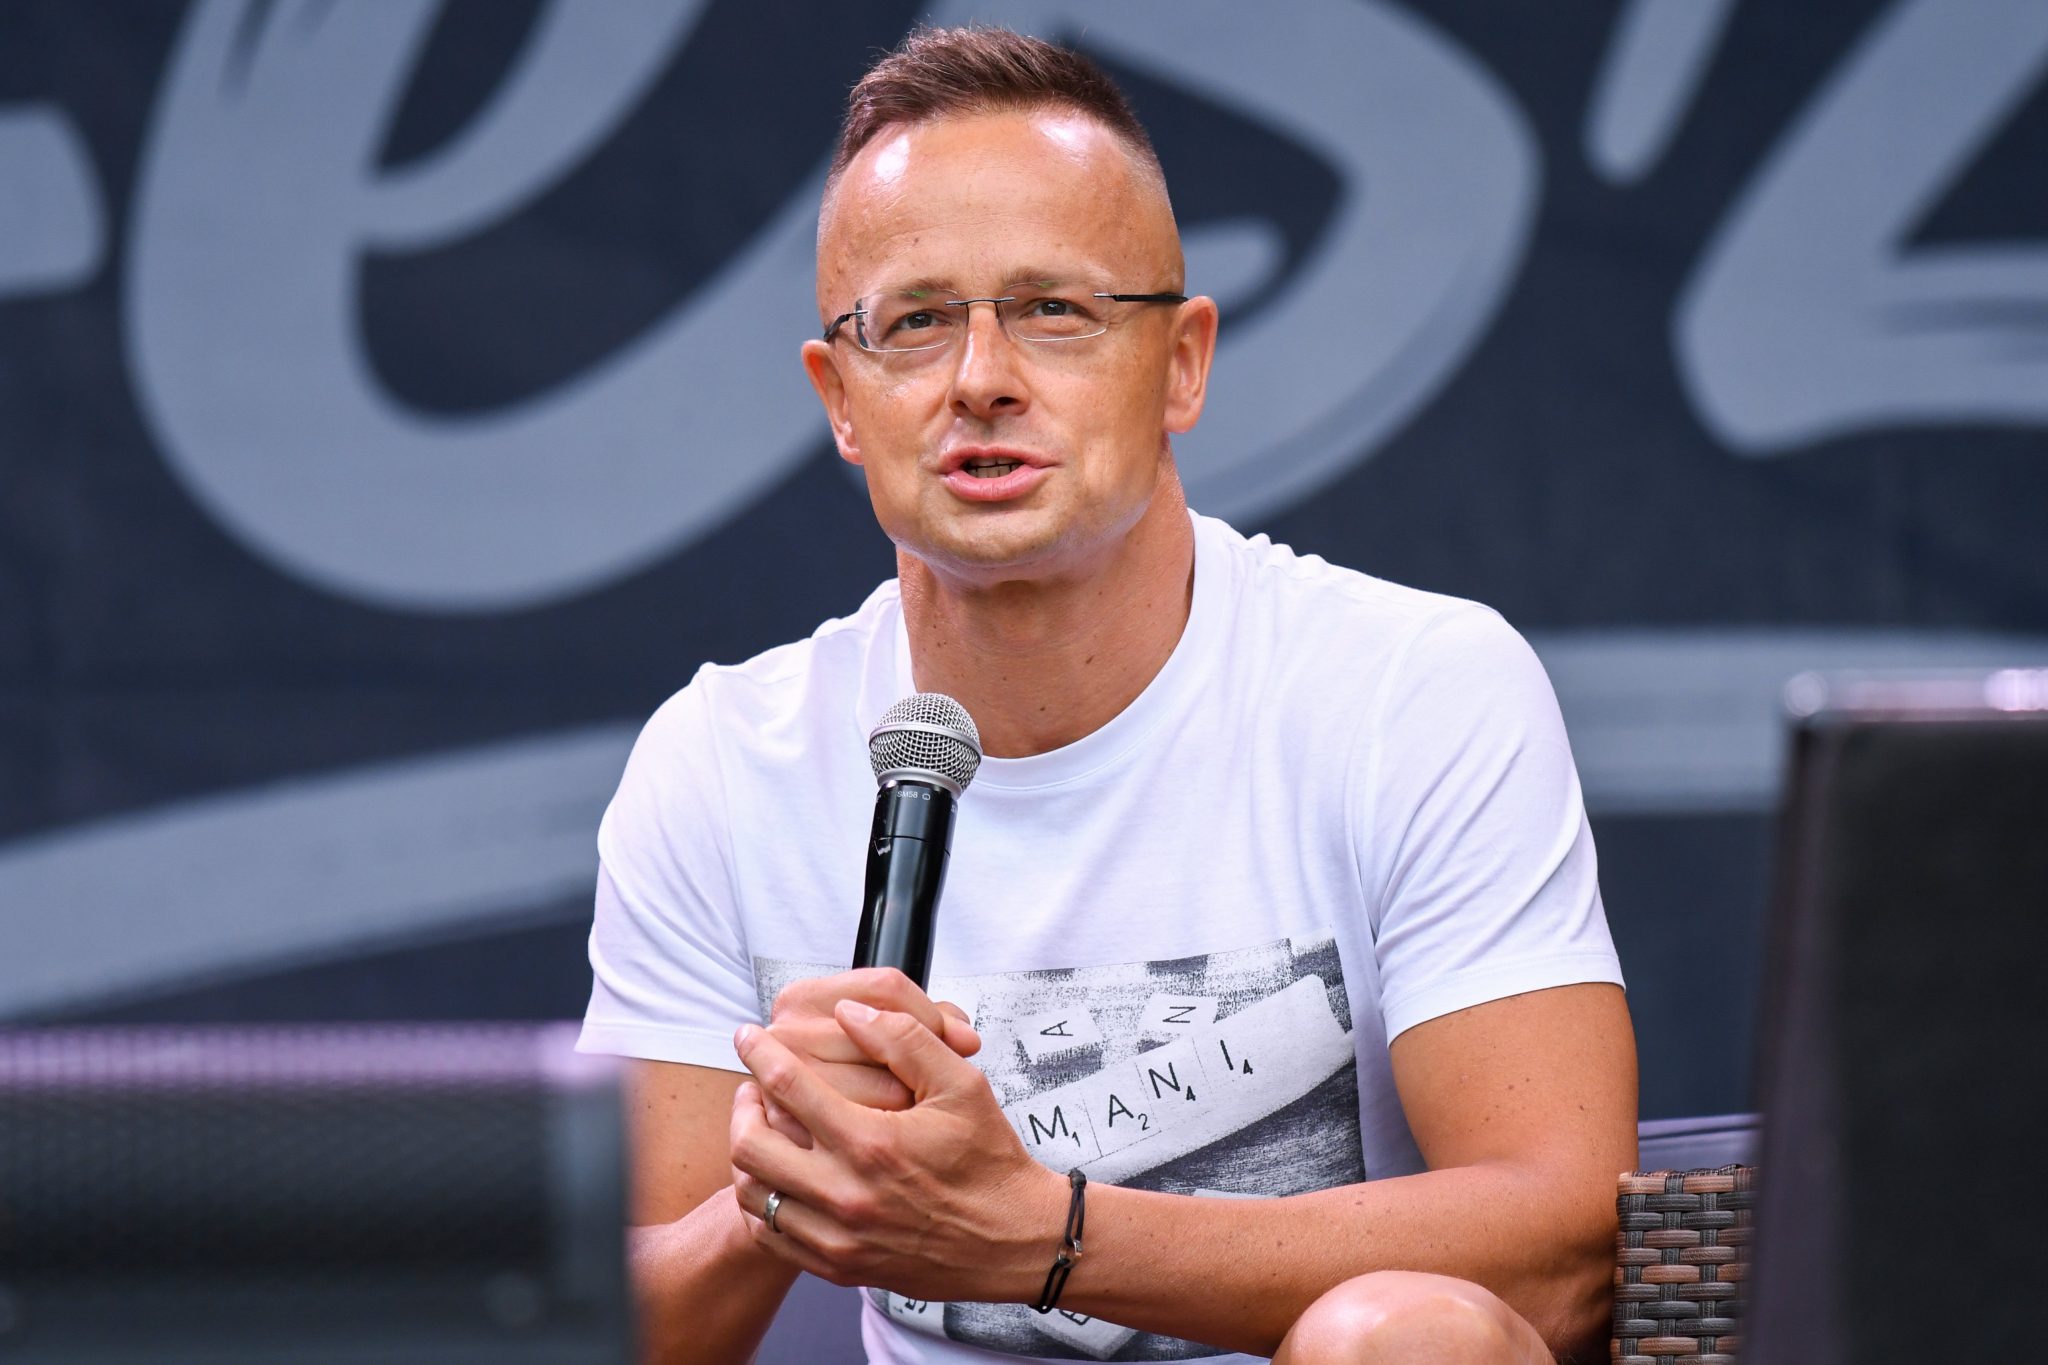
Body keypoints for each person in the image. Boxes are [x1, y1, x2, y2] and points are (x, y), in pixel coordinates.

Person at [578, 26, 1636, 1365]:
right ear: (841, 399)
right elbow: (598, 1328)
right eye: (916, 322)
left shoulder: (1411, 690)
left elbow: (1566, 1249)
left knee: (1405, 1333)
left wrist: (1043, 1234)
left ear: (1183, 362)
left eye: (1054, 310)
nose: (981, 379)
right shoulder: (725, 761)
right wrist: (793, 1181)